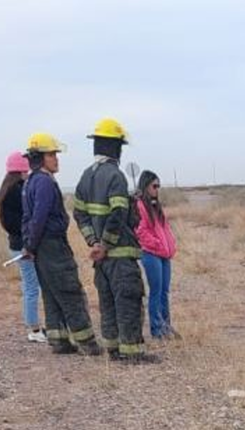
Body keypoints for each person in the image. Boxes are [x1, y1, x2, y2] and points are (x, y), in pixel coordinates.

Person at [73, 118, 158, 364]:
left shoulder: (86, 176)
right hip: (119, 255)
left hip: (101, 260)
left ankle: (113, 349)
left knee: (107, 302)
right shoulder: (116, 176)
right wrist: (106, 245)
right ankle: (132, 353)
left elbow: (79, 213)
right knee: (129, 300)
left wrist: (93, 242)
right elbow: (119, 213)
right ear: (115, 147)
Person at [21, 133, 101, 355]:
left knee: (51, 293)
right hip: (53, 247)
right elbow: (39, 217)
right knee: (69, 291)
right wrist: (33, 244)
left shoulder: (30, 182)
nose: (56, 159)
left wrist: (29, 245)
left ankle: (59, 340)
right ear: (40, 157)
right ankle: (88, 344)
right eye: (52, 154)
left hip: (41, 248)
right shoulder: (45, 182)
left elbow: (27, 219)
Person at [0, 151, 46, 343]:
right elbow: (25, 221)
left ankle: (34, 326)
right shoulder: (18, 192)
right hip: (23, 247)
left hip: (17, 245)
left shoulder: (8, 191)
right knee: (32, 287)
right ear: (21, 171)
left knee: (29, 286)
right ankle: (34, 329)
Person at [135, 171, 179, 340]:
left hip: (164, 255)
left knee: (164, 292)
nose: (157, 189)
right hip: (151, 254)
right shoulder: (139, 206)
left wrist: (171, 244)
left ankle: (166, 326)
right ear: (145, 186)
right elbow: (141, 231)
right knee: (156, 291)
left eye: (159, 186)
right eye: (154, 186)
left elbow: (165, 227)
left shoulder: (156, 205)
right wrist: (158, 245)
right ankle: (156, 329)